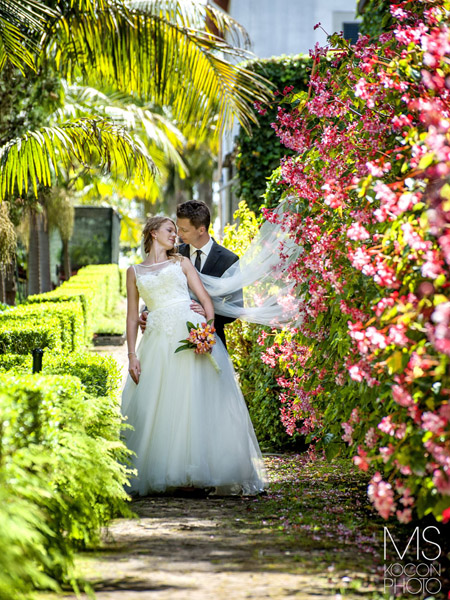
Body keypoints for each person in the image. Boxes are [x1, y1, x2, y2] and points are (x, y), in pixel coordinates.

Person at [121, 215, 266, 497]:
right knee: (163, 403)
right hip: (157, 342)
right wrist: (131, 355)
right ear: (153, 233)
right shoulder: (134, 272)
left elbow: (205, 299)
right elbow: (130, 316)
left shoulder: (182, 262)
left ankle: (196, 471)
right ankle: (165, 471)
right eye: (169, 230)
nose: (175, 235)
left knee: (194, 400)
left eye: (176, 231)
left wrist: (208, 331)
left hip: (189, 335)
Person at [140, 200, 240, 348]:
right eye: (178, 228)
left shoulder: (229, 260)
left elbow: (236, 307)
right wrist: (147, 313)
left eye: (184, 230)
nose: (178, 234)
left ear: (201, 230)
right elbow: (158, 286)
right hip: (170, 340)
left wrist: (206, 314)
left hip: (210, 341)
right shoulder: (172, 253)